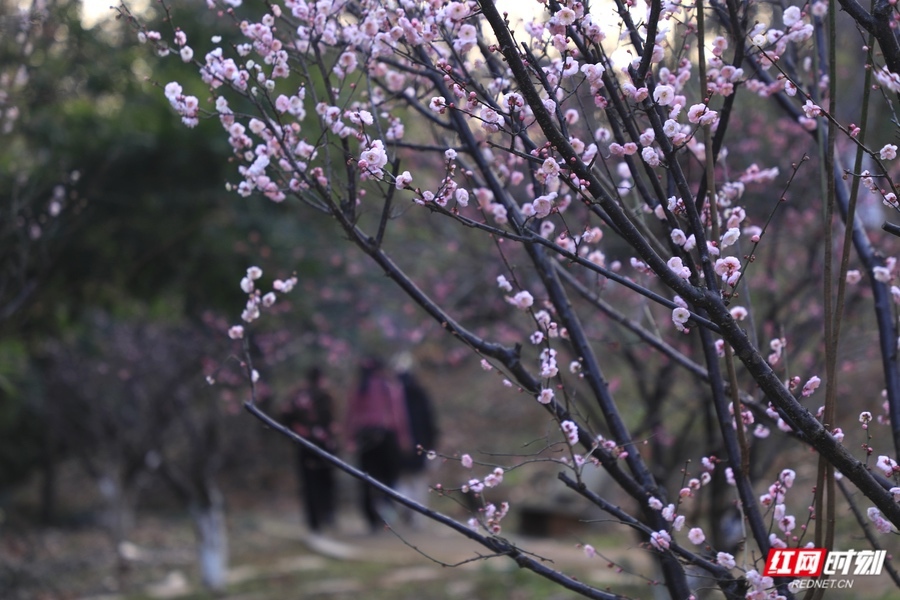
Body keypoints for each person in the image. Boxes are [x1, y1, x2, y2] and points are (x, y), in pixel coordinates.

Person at [343, 357, 412, 531]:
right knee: (389, 477)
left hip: (364, 438)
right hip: (386, 437)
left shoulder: (359, 389)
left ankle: (371, 517)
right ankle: (385, 508)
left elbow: (351, 416)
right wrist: (403, 437)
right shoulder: (388, 387)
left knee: (366, 478)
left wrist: (349, 439)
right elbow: (398, 415)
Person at [280, 366, 337, 533]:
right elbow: (331, 420)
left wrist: (296, 430)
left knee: (310, 483)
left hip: (304, 444)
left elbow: (285, 415)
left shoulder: (297, 395)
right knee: (324, 481)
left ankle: (316, 520)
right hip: (322, 445)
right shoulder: (326, 395)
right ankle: (326, 514)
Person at [393, 353, 439, 527]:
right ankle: (417, 518)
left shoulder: (393, 396)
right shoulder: (421, 394)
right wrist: (431, 444)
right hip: (420, 444)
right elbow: (430, 422)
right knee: (418, 481)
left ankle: (407, 511)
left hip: (399, 446)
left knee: (401, 480)